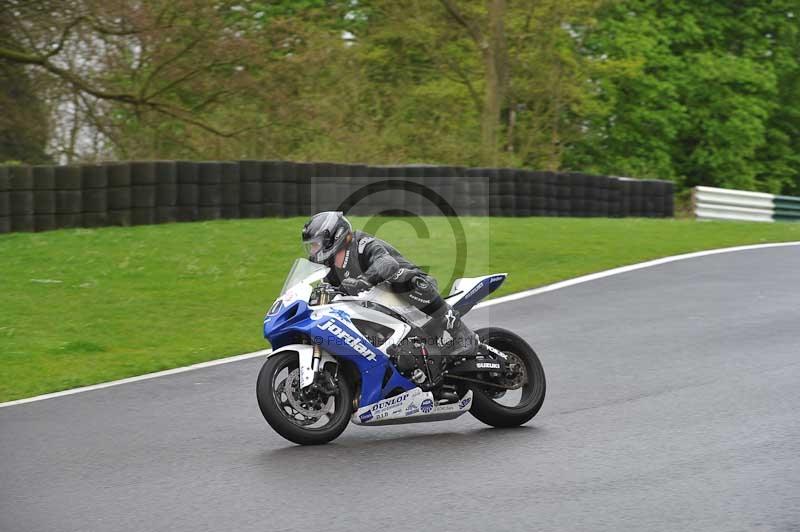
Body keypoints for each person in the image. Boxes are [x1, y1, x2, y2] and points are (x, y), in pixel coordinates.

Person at [301, 211, 477, 359]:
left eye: (315, 244)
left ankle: (459, 331)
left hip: (413, 291)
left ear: (333, 237)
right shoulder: (331, 270)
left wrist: (364, 280)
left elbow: (387, 263)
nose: (313, 251)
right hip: (382, 310)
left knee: (398, 278)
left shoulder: (361, 244)